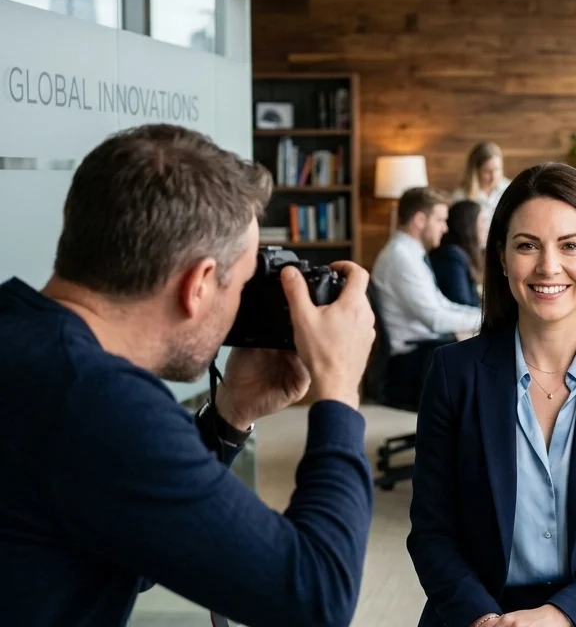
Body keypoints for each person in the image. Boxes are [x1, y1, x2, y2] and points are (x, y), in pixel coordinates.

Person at [0, 124, 377, 626]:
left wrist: (230, 415)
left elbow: (146, 529)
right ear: (199, 283)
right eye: (242, 282)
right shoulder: (99, 402)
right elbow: (316, 598)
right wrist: (339, 392)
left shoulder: (22, 334)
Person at [407, 163, 576, 627]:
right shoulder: (453, 373)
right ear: (501, 257)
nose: (547, 266)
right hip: (482, 613)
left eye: (570, 246)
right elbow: (433, 534)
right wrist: (483, 619)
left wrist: (561, 616)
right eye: (527, 245)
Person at [371, 187, 482, 408]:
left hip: (425, 351)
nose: (445, 228)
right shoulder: (400, 257)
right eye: (440, 220)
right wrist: (484, 319)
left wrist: (483, 315)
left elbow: (442, 306)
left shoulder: (411, 253)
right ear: (420, 220)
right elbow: (436, 319)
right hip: (415, 361)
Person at [430, 199, 485, 306]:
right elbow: (462, 303)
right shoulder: (452, 256)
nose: (485, 227)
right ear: (469, 226)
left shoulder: (462, 254)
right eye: (482, 221)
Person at [453, 140, 512, 231]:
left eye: (497, 169)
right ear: (475, 171)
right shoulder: (461, 196)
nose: (493, 176)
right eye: (487, 171)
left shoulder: (510, 189)